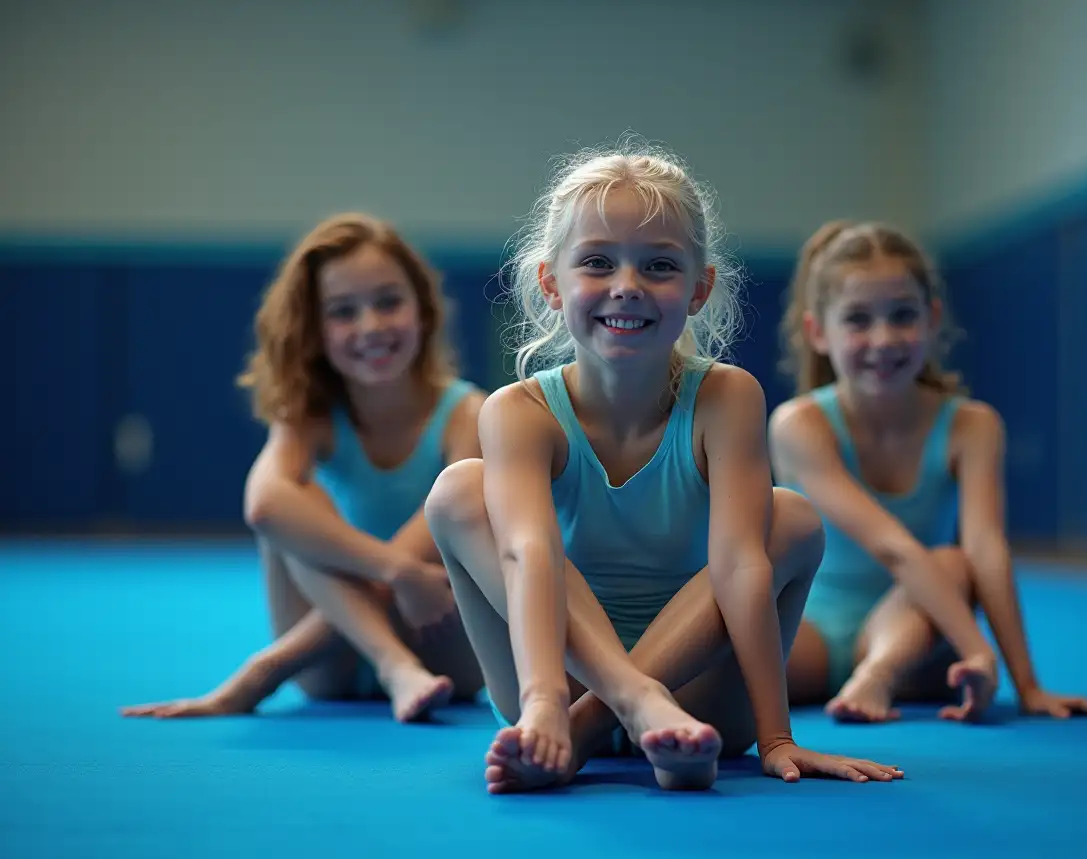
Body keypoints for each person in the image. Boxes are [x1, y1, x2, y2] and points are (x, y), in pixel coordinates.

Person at [423, 140, 903, 794]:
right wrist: (540, 702)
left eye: (658, 265)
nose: (627, 286)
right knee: (459, 491)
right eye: (596, 262)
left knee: (790, 517)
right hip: (554, 686)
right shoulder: (522, 412)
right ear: (550, 283)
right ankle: (632, 711)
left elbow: (740, 565)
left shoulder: (726, 398)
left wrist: (775, 737)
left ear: (699, 289)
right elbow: (527, 555)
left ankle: (611, 725)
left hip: (699, 697)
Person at [769, 219, 1087, 724]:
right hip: (811, 631)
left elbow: (987, 548)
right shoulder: (800, 424)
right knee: (731, 653)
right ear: (818, 333)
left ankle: (877, 675)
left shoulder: (971, 426)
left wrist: (1027, 686)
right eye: (858, 319)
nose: (884, 339)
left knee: (953, 562)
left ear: (932, 318)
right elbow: (889, 545)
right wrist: (979, 651)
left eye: (903, 315)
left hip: (916, 635)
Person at [121, 213, 486, 723]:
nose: (370, 326)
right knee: (297, 504)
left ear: (423, 310)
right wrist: (398, 571)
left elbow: (424, 553)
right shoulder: (312, 417)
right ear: (313, 331)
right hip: (329, 668)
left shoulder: (467, 414)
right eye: (343, 311)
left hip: (443, 643)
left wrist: (261, 674)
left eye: (388, 301)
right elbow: (265, 506)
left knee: (433, 516)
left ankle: (392, 662)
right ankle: (392, 664)